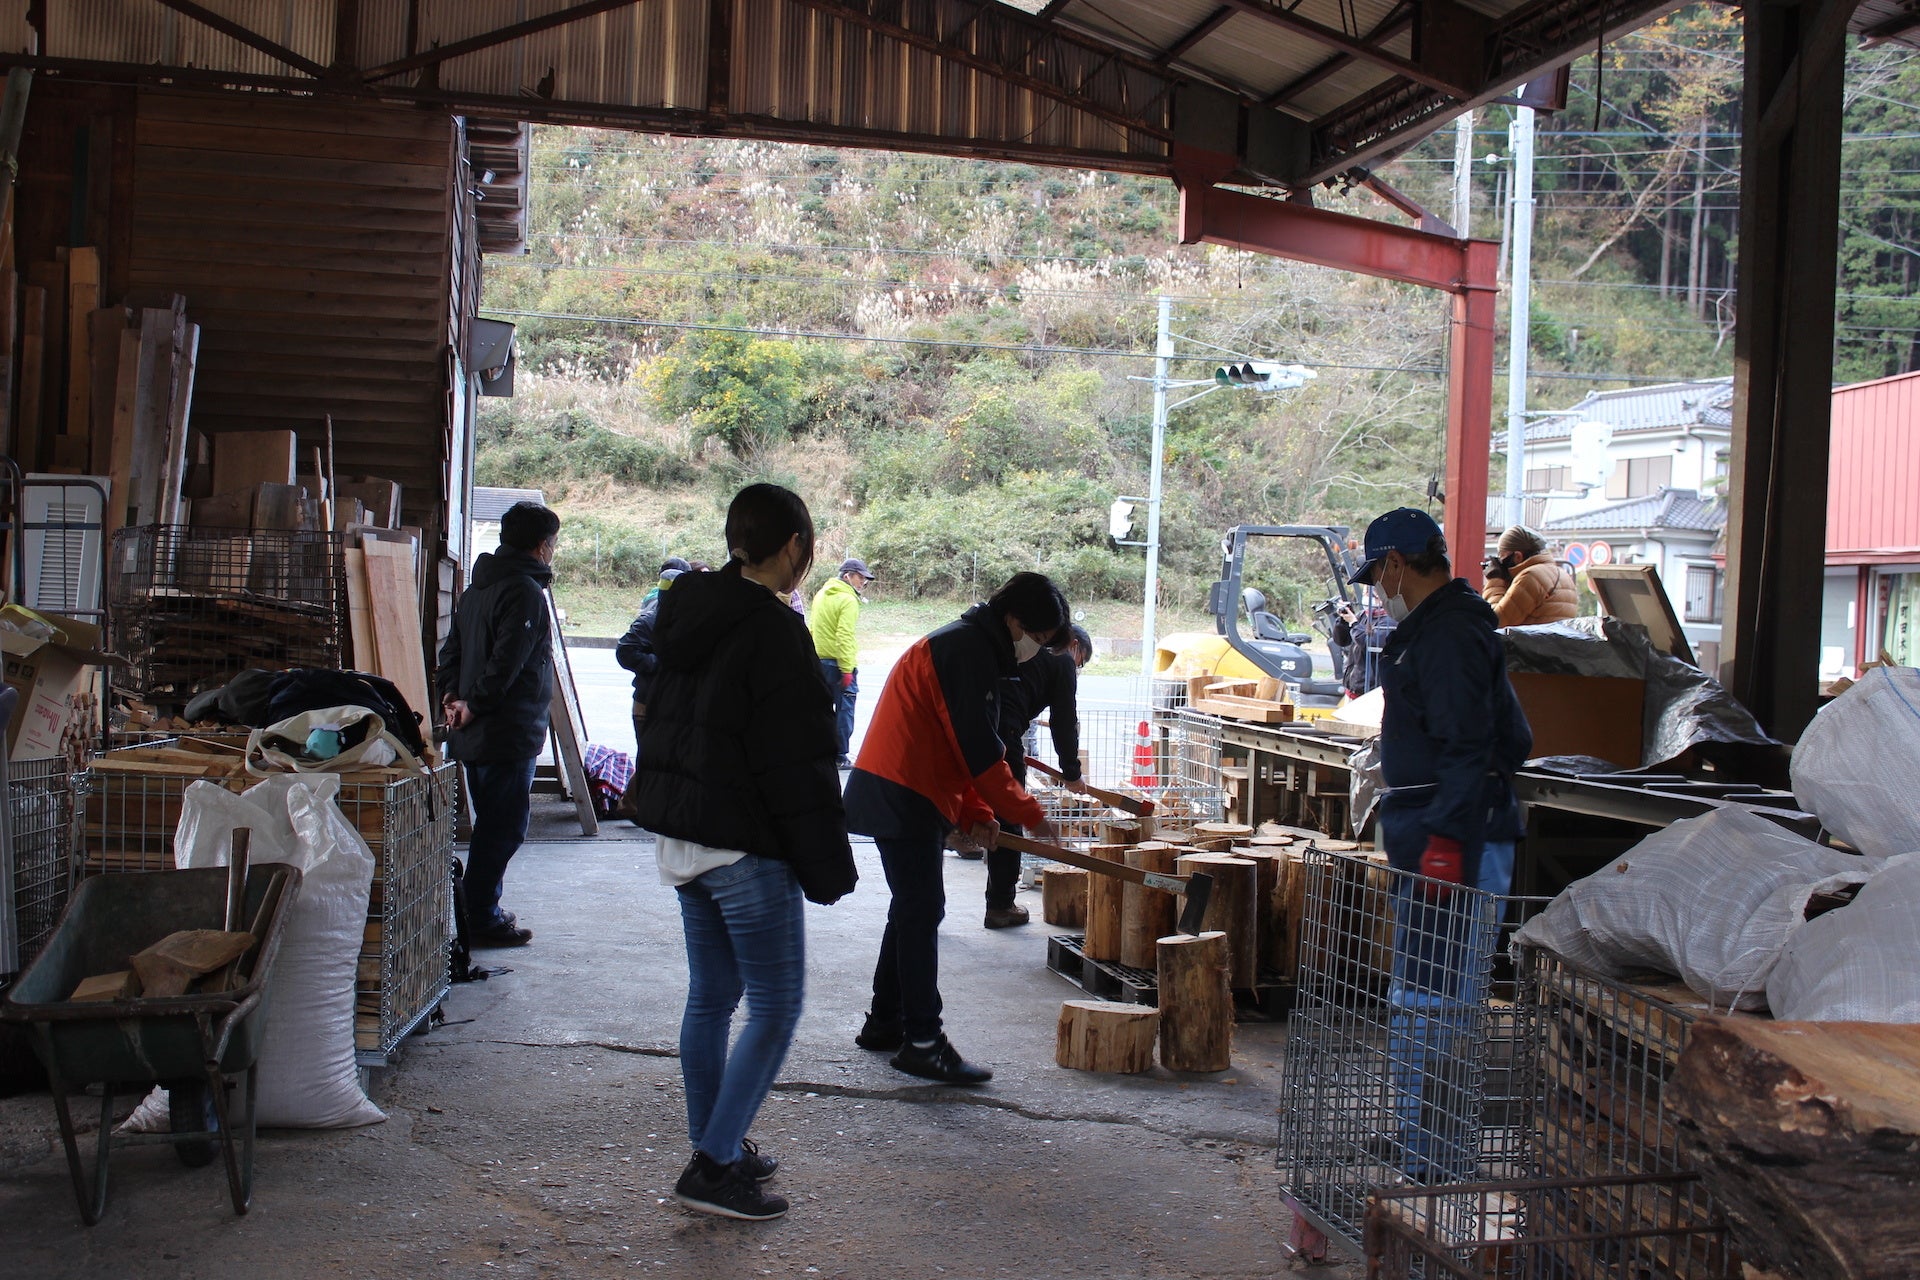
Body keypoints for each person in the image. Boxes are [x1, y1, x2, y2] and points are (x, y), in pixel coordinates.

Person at [630, 484, 857, 1222]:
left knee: (712, 1000)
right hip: (743, 847)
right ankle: (714, 1163)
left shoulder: (684, 608)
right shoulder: (774, 631)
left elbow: (660, 724)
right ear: (793, 545)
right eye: (807, 546)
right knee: (776, 1005)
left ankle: (716, 1146)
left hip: (684, 837)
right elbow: (796, 762)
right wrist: (826, 859)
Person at [1348, 507, 1533, 1183]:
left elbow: (1474, 745)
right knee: (1424, 998)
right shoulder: (1436, 630)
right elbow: (1508, 737)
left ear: (1396, 563)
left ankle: (1438, 1157)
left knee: (1437, 1003)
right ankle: (1421, 1140)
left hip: (1455, 841)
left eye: (1377, 577)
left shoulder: (1449, 634)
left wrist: (1449, 838)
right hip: (1435, 833)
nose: (1376, 591)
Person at [843, 572, 1067, 1085]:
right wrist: (1028, 813)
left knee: (913, 908)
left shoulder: (973, 647)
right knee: (921, 909)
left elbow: (957, 749)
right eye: (1039, 637)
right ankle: (922, 1042)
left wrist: (979, 814)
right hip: (901, 790)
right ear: (1015, 621)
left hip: (908, 788)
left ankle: (885, 1022)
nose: (1038, 650)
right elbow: (978, 749)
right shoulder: (964, 649)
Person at [437, 501, 561, 948]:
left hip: (473, 731)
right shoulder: (525, 591)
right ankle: (482, 917)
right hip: (504, 731)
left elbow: (450, 651)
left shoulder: (477, 590)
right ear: (542, 546)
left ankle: (478, 911)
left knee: (492, 823)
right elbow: (506, 664)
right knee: (502, 828)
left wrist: (452, 699)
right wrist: (473, 705)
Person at [978, 624, 1092, 929]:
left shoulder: (1027, 648)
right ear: (1075, 645)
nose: (1076, 669)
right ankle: (1001, 905)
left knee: (966, 798)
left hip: (980, 721)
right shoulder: (1062, 657)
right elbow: (1064, 719)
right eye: (1081, 662)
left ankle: (956, 844)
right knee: (1009, 812)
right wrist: (1072, 773)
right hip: (1006, 727)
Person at [810, 557, 874, 768]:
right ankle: (840, 756)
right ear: (848, 576)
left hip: (820, 662)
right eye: (860, 578)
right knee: (845, 710)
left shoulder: (821, 595)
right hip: (839, 665)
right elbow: (844, 636)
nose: (863, 583)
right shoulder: (847, 600)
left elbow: (814, 628)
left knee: (823, 709)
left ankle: (821, 750)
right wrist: (847, 670)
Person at [616, 567, 683, 755]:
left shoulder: (684, 621)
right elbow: (625, 652)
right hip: (647, 706)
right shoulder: (649, 621)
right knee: (650, 763)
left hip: (674, 707)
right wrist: (659, 664)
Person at [1481, 525, 1578, 627]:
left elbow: (1497, 620)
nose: (1500, 562)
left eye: (1502, 556)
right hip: (1554, 641)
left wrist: (1494, 580)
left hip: (1531, 642)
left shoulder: (1530, 576)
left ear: (1518, 556)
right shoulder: (1561, 574)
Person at [1330, 597, 1393, 698]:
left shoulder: (1390, 621)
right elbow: (1342, 640)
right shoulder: (1363, 615)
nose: (1366, 597)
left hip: (1372, 691)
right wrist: (1344, 620)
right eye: (1365, 593)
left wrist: (1354, 623)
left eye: (1371, 595)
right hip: (1353, 686)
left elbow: (1371, 644)